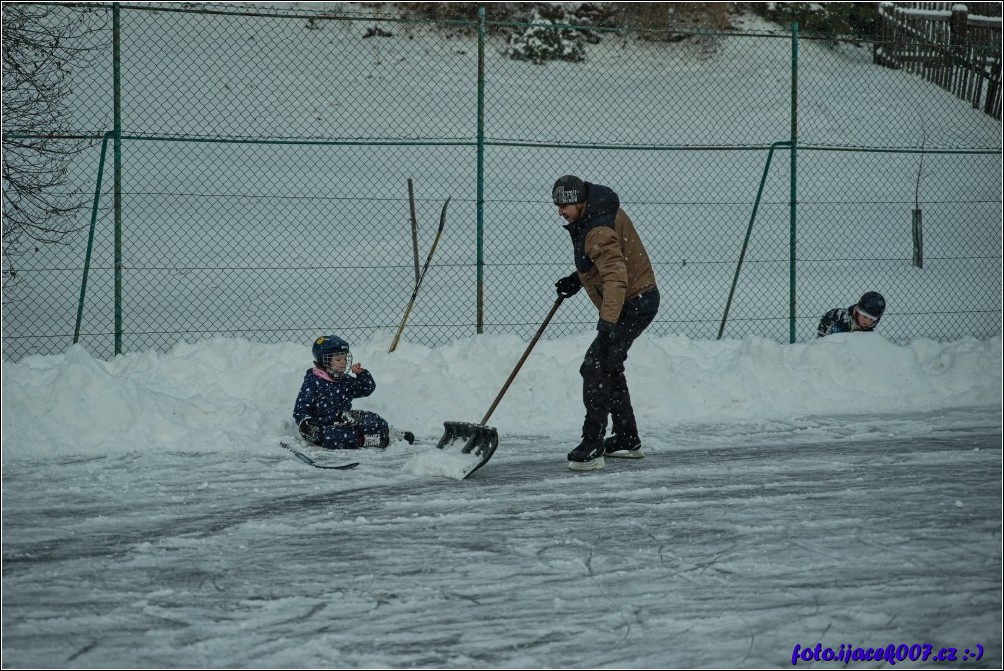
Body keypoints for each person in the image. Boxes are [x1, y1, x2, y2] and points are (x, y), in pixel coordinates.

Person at [551, 175, 660, 471]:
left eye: (565, 205)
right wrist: (578, 280)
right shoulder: (595, 214)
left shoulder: (597, 226)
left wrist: (608, 322)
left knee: (595, 365)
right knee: (609, 364)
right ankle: (626, 438)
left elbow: (615, 274)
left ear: (581, 201)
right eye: (557, 205)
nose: (560, 211)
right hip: (635, 299)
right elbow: (604, 261)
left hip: (633, 303)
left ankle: (592, 444)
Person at [293, 334, 413, 449]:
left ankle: (389, 433)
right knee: (330, 437)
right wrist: (306, 422)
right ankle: (366, 440)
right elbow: (301, 408)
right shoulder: (313, 382)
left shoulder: (344, 380)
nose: (343, 362)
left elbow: (366, 389)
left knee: (372, 420)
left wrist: (362, 375)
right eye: (338, 359)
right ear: (324, 361)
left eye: (345, 358)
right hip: (323, 425)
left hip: (345, 418)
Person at [816, 291, 886, 337]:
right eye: (865, 316)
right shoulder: (842, 322)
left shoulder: (868, 330)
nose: (867, 322)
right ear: (858, 312)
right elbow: (836, 342)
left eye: (871, 319)